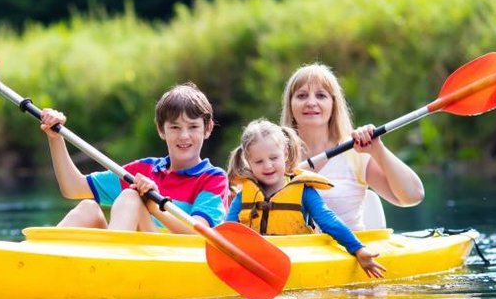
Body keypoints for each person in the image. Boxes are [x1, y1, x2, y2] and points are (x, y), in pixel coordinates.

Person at [39, 82, 229, 233]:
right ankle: (36, 258)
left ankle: (110, 265)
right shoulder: (144, 170)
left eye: (193, 127)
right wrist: (56, 137)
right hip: (132, 255)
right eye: (175, 127)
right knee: (88, 208)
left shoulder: (214, 178)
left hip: (168, 261)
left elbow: (198, 233)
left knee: (131, 196)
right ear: (161, 130)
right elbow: (73, 188)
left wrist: (154, 206)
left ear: (208, 128)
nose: (184, 136)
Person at [225, 119, 385, 278]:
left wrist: (357, 248)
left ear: (285, 154)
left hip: (298, 261)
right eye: (259, 161)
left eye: (274, 158)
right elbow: (227, 231)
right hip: (257, 264)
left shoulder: (304, 191)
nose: (268, 166)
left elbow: (328, 220)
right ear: (248, 161)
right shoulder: (243, 196)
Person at [280, 63, 424, 230]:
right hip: (294, 252)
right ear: (290, 104)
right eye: (302, 95)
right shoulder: (272, 156)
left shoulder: (355, 153)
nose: (311, 102)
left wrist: (377, 150)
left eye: (321, 95)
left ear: (333, 104)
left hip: (351, 252)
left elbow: (413, 196)